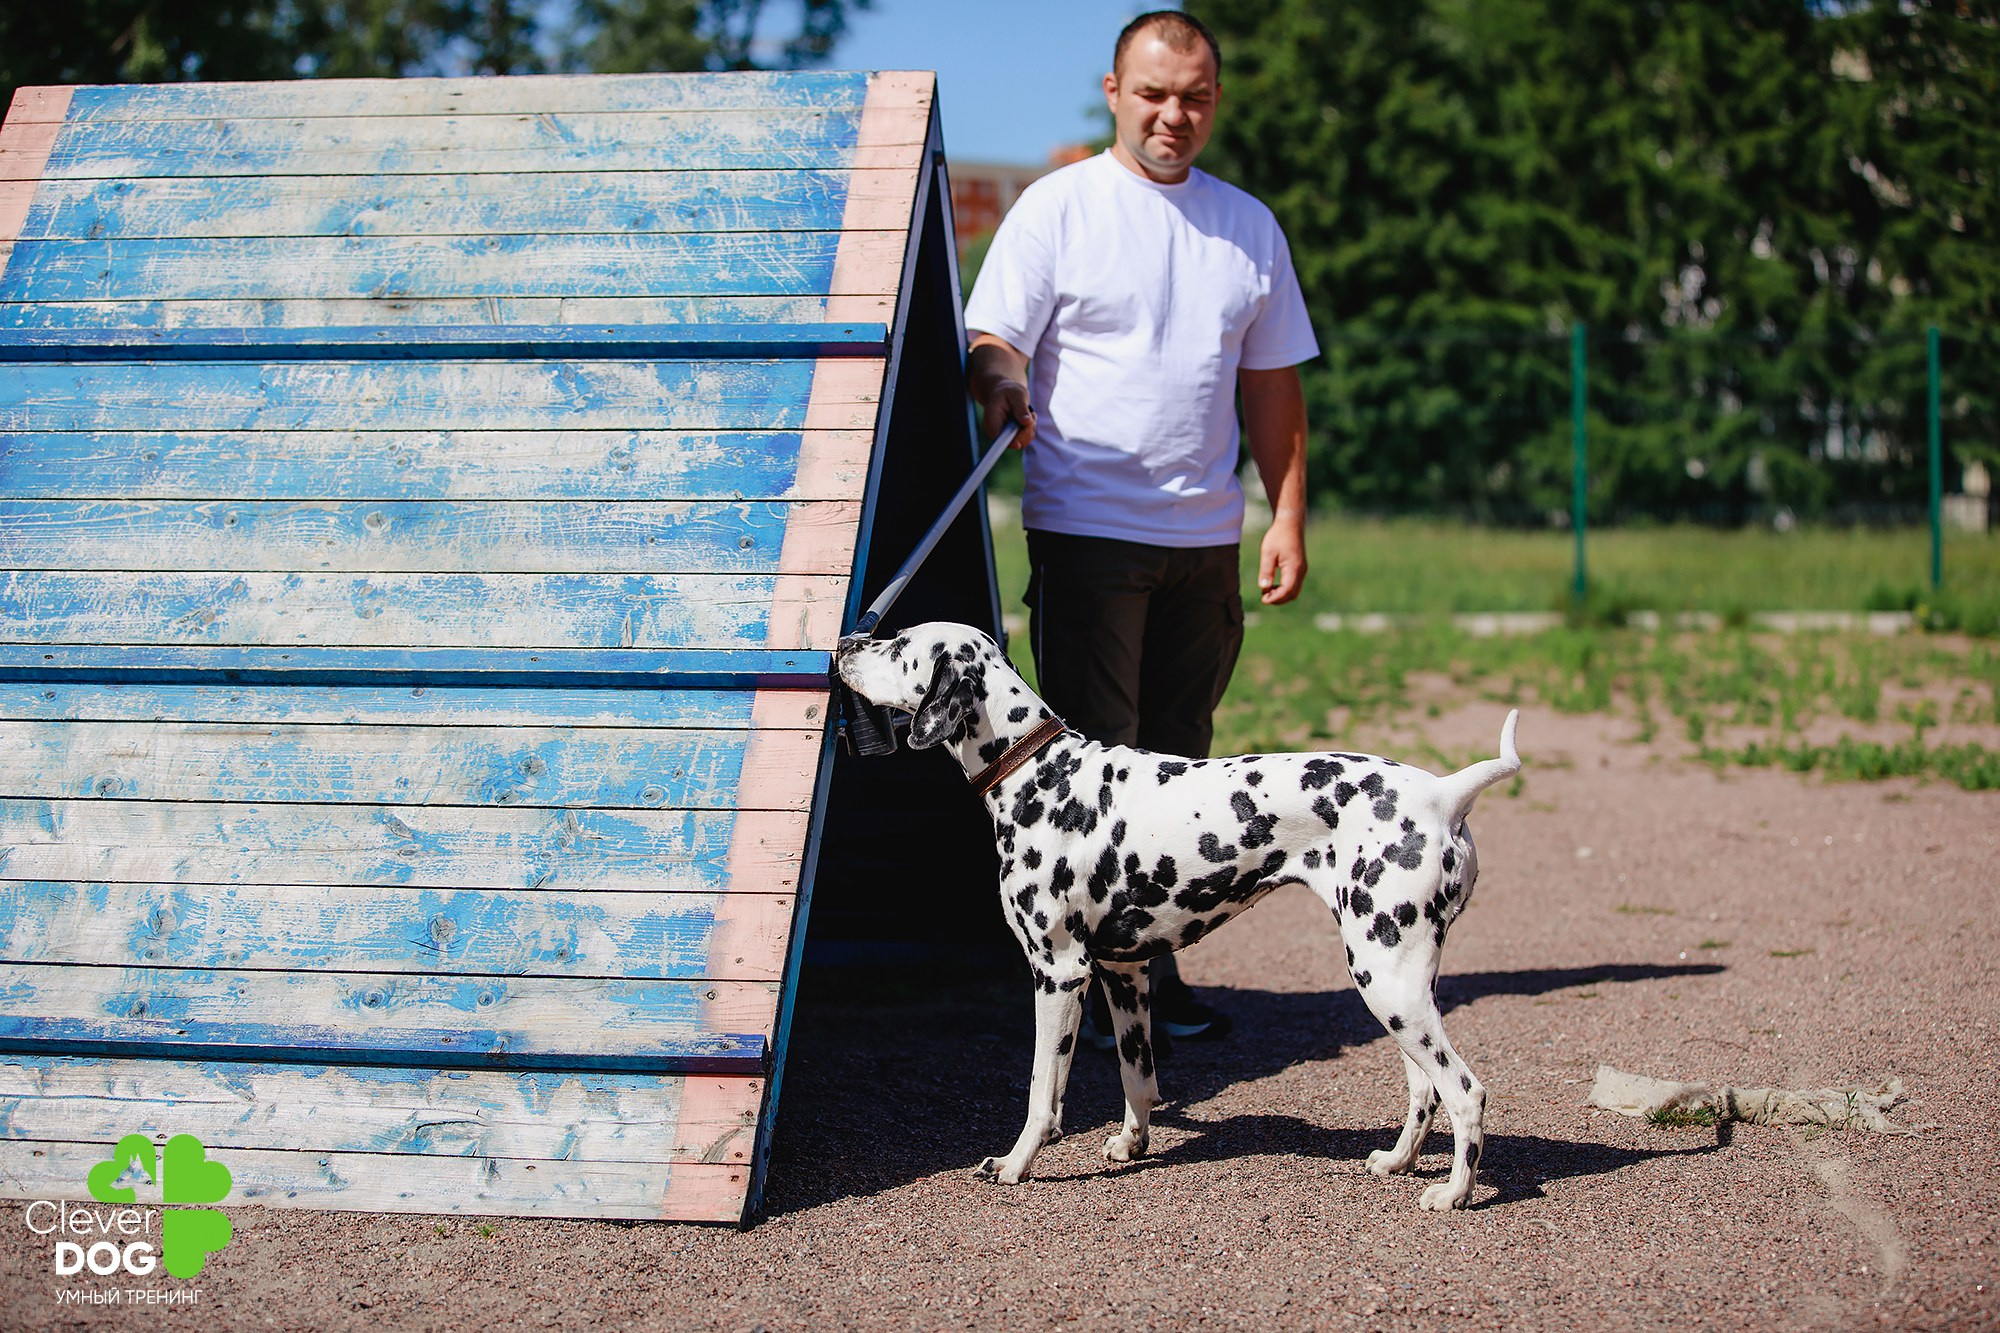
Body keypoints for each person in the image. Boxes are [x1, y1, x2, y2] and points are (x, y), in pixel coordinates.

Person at [963, 10, 1319, 1049]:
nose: (1175, 113)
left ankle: (1146, 969)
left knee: (1180, 769)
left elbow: (1271, 386)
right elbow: (993, 341)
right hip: (1086, 530)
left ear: (1215, 99)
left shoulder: (1246, 226)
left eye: (1195, 95)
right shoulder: (1055, 210)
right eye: (1154, 93)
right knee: (1092, 771)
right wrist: (998, 383)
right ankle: (1076, 981)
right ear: (1113, 91)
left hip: (1204, 539)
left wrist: (1285, 514)